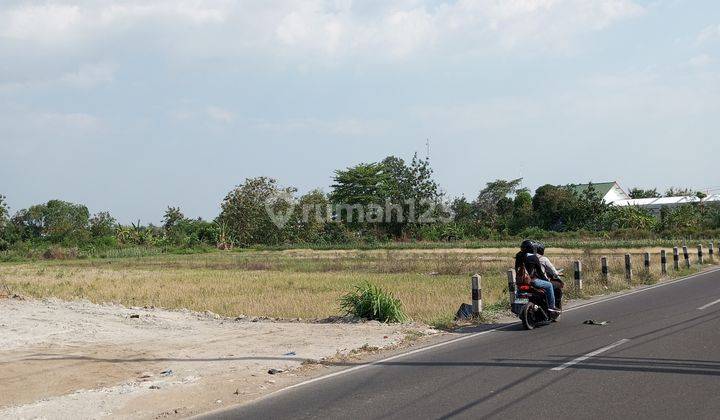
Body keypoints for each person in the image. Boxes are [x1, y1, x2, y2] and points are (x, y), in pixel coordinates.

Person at [515, 240, 560, 313]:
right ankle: (552, 306)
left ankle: (518, 306)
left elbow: (517, 269)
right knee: (549, 285)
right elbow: (540, 272)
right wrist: (546, 280)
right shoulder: (533, 257)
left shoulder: (518, 256)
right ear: (532, 248)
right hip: (532, 281)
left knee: (519, 292)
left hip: (520, 281)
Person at [535, 242, 564, 310]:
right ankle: (552, 306)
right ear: (541, 250)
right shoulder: (543, 259)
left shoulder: (526, 258)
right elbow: (553, 271)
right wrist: (557, 274)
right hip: (539, 281)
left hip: (528, 281)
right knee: (555, 285)